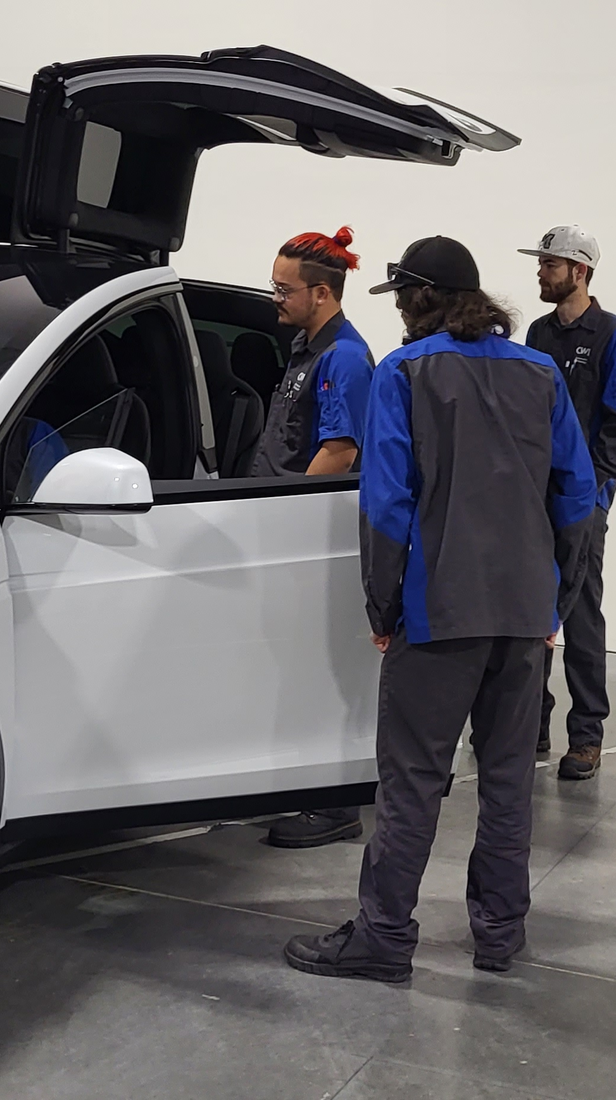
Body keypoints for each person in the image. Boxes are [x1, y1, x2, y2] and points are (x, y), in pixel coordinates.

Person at [283, 236, 596, 981]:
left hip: (438, 611)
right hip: (523, 614)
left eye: (399, 298)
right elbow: (578, 499)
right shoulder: (543, 374)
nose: (396, 312)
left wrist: (383, 607)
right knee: (509, 776)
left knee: (414, 779)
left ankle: (384, 938)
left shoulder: (404, 374)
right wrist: (557, 599)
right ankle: (499, 935)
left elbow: (387, 506)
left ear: (419, 298)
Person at [254, 227, 376, 850]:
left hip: (308, 535)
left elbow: (339, 450)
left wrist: (282, 514)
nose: (275, 298)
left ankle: (335, 804)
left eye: (283, 289)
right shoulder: (308, 347)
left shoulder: (345, 359)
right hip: (281, 530)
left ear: (321, 293)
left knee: (323, 669)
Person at [519, 226, 616, 780]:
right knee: (530, 610)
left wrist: (592, 494)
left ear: (580, 270)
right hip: (535, 497)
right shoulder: (539, 333)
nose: (541, 273)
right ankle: (531, 723)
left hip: (584, 501)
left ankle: (587, 735)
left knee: (581, 612)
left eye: (550, 264)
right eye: (542, 264)